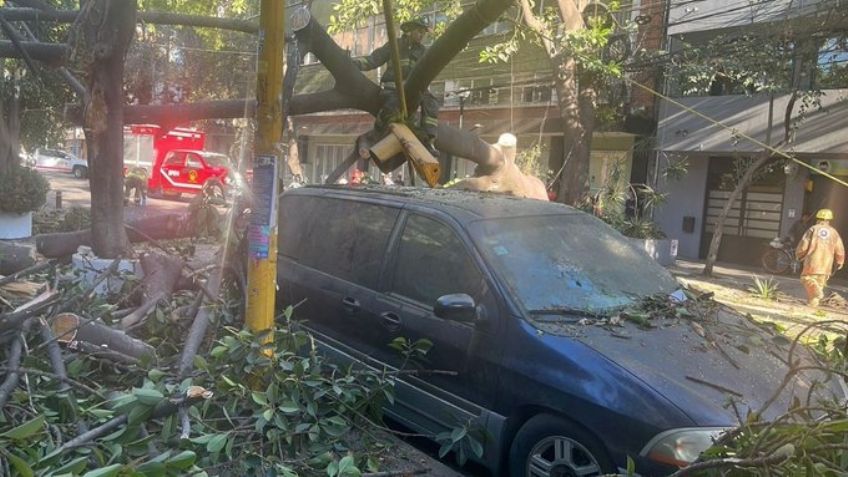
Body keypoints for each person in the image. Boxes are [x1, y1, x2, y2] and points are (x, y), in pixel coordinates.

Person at [355, 17, 440, 156]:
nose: (422, 35)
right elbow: (374, 59)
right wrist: (356, 64)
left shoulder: (423, 52)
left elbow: (427, 73)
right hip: (392, 89)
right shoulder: (394, 46)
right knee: (392, 106)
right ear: (409, 30)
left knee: (432, 102)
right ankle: (376, 134)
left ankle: (428, 141)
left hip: (413, 91)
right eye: (419, 31)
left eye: (424, 33)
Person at [795, 208, 845, 307]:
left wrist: (799, 254)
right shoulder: (833, 232)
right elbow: (840, 248)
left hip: (813, 261)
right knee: (820, 285)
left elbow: (804, 244)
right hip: (826, 264)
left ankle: (814, 287)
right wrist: (840, 260)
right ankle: (812, 305)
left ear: (817, 218)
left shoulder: (813, 229)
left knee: (806, 278)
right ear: (829, 220)